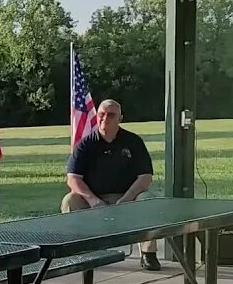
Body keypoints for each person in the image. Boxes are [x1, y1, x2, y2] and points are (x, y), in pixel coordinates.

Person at [62, 99, 161, 270]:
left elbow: (145, 177)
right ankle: (80, 252)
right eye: (101, 114)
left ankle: (148, 254)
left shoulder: (133, 142)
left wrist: (127, 199)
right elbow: (73, 178)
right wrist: (94, 201)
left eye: (111, 115)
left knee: (148, 200)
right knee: (70, 201)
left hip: (127, 196)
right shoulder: (85, 144)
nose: (105, 118)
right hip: (94, 198)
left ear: (120, 118)